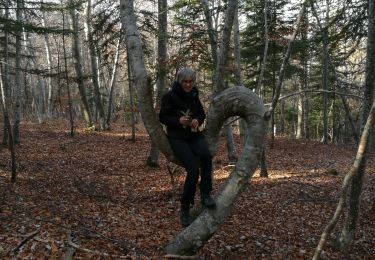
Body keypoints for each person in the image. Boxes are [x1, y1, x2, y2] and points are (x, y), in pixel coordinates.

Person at [159, 67, 216, 227]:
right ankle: (185, 207)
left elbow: (201, 113)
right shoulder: (169, 96)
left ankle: (205, 194)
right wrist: (178, 121)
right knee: (192, 170)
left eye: (191, 81)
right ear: (179, 81)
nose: (188, 84)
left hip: (193, 135)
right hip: (177, 138)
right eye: (185, 81)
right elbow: (163, 117)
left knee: (206, 156)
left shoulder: (194, 94)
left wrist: (197, 120)